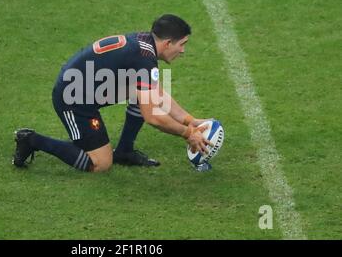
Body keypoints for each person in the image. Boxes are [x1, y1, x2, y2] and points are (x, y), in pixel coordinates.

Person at [12, 14, 213, 173]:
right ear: (168, 43)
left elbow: (157, 94)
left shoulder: (144, 43)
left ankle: (124, 151)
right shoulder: (144, 59)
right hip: (73, 100)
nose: (183, 51)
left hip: (88, 88)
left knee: (144, 93)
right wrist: (187, 134)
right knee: (100, 164)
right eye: (182, 44)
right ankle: (31, 140)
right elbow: (153, 117)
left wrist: (190, 120)